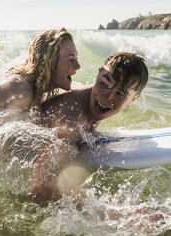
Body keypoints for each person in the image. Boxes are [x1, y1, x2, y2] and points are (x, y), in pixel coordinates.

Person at [29, 52, 149, 203]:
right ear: (98, 74)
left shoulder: (90, 102)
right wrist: (115, 213)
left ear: (134, 99)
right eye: (103, 84)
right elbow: (38, 188)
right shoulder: (70, 121)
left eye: (119, 94)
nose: (107, 98)